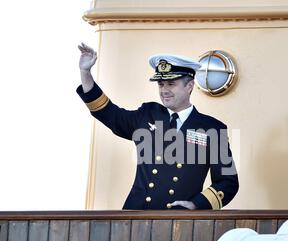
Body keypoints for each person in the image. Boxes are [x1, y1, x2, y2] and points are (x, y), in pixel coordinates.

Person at [76, 43, 239, 210]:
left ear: (189, 86)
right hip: (135, 217)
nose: (164, 90)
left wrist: (196, 205)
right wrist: (85, 73)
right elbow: (109, 113)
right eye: (161, 84)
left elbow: (228, 181)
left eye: (171, 84)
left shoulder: (212, 128)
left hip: (180, 219)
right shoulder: (148, 114)